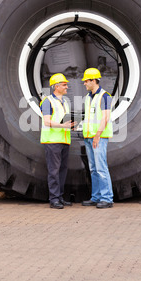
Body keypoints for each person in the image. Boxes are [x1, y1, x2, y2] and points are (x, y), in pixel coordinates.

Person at [40, 73, 75, 209]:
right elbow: (47, 121)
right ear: (56, 86)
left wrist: (71, 125)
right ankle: (54, 199)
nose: (67, 86)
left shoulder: (65, 101)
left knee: (62, 170)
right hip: (52, 140)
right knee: (54, 171)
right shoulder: (48, 101)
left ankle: (60, 197)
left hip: (64, 140)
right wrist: (63, 126)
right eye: (64, 84)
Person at [81, 68, 114, 208]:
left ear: (94, 81)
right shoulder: (89, 97)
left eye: (86, 81)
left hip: (98, 137)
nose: (84, 83)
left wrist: (98, 135)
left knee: (101, 168)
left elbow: (105, 117)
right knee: (93, 169)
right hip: (89, 137)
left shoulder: (105, 96)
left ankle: (107, 198)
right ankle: (96, 197)